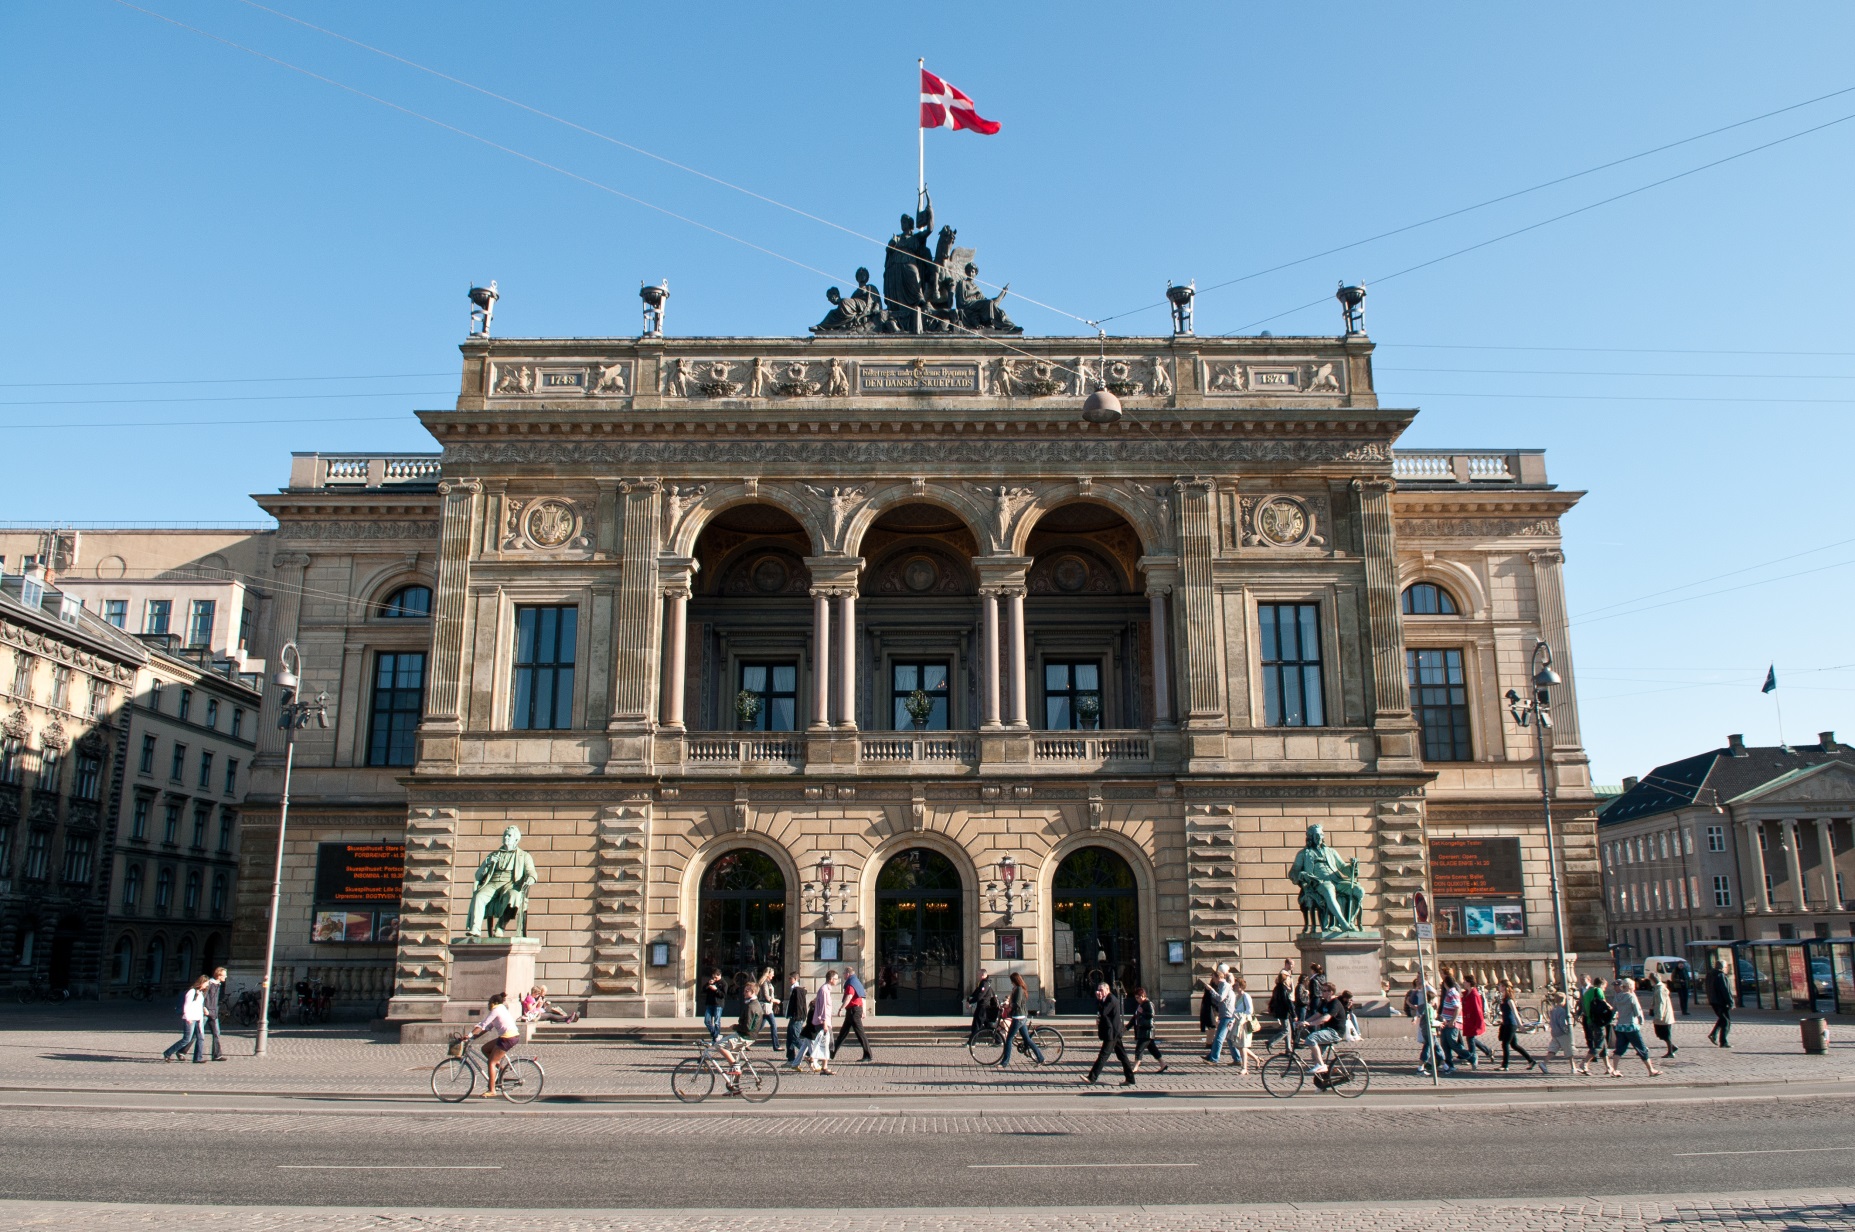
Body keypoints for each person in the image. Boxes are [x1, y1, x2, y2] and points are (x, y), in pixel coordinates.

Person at [460, 992, 521, 1097]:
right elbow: (488, 1027)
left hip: (508, 1038)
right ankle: (501, 1069)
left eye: (489, 1002)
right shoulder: (501, 1009)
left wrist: (469, 1034)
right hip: (509, 1036)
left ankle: (492, 1090)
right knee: (485, 1049)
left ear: (494, 1003)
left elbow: (483, 1024)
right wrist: (475, 1037)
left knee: (491, 1063)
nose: (488, 1005)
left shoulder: (496, 1010)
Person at [714, 979, 765, 1092]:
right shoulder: (753, 1004)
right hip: (747, 1035)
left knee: (719, 1045)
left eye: (747, 991)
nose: (744, 993)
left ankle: (735, 1066)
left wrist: (735, 1026)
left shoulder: (751, 1007)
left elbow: (747, 1027)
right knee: (734, 1057)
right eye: (744, 990)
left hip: (745, 1036)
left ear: (753, 992)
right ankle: (734, 1086)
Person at [1610, 977, 1663, 1077]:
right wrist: (1641, 1021)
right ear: (1631, 986)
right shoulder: (1631, 996)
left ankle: (1615, 1070)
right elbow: (1637, 1011)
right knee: (1641, 1048)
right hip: (1631, 1026)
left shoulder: (1617, 997)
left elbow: (1614, 1010)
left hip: (1620, 1026)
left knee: (1619, 1049)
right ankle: (1651, 1070)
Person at [1085, 982, 1136, 1086]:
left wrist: (1099, 1000)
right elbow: (1101, 1012)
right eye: (1098, 990)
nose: (1099, 992)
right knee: (1122, 1056)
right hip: (1113, 1032)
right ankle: (1130, 1079)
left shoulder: (1112, 999)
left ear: (1107, 990)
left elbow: (1104, 1012)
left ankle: (1092, 1078)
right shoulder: (1105, 999)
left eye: (1101, 990)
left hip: (1112, 1033)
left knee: (1103, 1056)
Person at [997, 971, 1045, 1067]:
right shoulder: (1017, 988)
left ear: (1015, 980)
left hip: (1018, 1017)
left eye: (1012, 981)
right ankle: (1040, 1058)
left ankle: (1004, 1062)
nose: (1011, 983)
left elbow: (1017, 1004)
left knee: (1009, 1039)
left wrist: (1008, 1005)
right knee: (1027, 1039)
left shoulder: (1019, 989)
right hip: (1020, 1016)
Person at [162, 975, 210, 1064]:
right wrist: (188, 1017)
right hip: (190, 1018)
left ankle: (198, 1058)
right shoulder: (192, 991)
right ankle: (167, 1053)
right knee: (186, 1039)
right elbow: (186, 1006)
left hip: (198, 1019)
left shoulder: (200, 993)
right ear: (202, 982)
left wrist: (203, 1012)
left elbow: (198, 1006)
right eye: (206, 983)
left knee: (201, 1038)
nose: (207, 986)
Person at [1299, 989, 1346, 1076]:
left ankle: (1321, 1065)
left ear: (1330, 992)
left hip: (1335, 1032)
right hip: (1327, 1030)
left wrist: (1310, 1024)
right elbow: (1317, 1015)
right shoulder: (1325, 1002)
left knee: (1311, 1038)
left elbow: (1325, 1018)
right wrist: (1303, 1022)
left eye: (1324, 990)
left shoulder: (1335, 1003)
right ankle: (1329, 1076)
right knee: (1315, 1056)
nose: (1322, 992)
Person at [1580, 976, 1619, 1077]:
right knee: (1599, 1044)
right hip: (1598, 1021)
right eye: (1605, 987)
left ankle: (1608, 1067)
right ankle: (1584, 1062)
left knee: (1603, 1044)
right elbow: (1603, 1004)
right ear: (1601, 985)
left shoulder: (1587, 992)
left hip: (1589, 1020)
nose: (1605, 989)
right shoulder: (1598, 991)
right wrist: (1611, 1009)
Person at [833, 967, 874, 1063]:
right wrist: (863, 1011)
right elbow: (860, 998)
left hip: (853, 1011)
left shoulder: (850, 984)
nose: (843, 975)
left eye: (843, 973)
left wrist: (841, 1008)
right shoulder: (857, 982)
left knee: (860, 1033)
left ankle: (868, 1055)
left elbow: (849, 996)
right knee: (843, 1033)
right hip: (855, 1010)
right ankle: (832, 1053)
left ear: (847, 974)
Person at [1496, 981, 1538, 1071]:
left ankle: (1505, 1065)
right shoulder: (1503, 998)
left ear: (1504, 987)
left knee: (1505, 1044)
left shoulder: (1509, 1000)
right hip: (1506, 1023)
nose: (1498, 987)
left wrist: (1520, 1025)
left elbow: (1515, 1013)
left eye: (1500, 985)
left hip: (1511, 1024)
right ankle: (1531, 1061)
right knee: (1514, 1045)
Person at [802, 971, 838, 1075]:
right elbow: (823, 1008)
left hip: (824, 1021)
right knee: (826, 1043)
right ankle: (815, 1060)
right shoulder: (824, 990)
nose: (836, 981)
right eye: (835, 979)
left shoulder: (826, 989)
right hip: (823, 1021)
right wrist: (825, 1023)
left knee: (825, 1043)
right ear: (831, 979)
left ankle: (820, 1063)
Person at [1129, 987, 1167, 1073]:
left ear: (1143, 996)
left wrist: (1142, 1012)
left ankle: (1135, 1067)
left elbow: (1151, 1014)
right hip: (1142, 1030)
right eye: (1136, 998)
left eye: (1138, 997)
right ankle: (1163, 1064)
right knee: (1152, 1049)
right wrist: (1127, 1027)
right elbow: (1135, 1018)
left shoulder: (1148, 1004)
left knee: (1139, 1049)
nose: (1137, 999)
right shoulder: (1141, 1005)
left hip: (1147, 1030)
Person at [1460, 975, 1497, 1067]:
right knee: (1471, 1039)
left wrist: (1479, 1023)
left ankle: (1472, 1057)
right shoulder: (1467, 993)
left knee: (1470, 1039)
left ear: (1469, 982)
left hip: (1472, 1020)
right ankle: (1488, 1051)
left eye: (1465, 981)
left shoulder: (1474, 994)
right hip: (1467, 1020)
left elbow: (1478, 1010)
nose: (1463, 983)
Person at [1204, 965, 1237, 1063]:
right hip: (1226, 1014)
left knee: (1219, 1037)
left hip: (1227, 1015)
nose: (1213, 981)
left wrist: (1211, 990)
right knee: (1229, 1039)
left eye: (1214, 979)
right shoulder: (1223, 985)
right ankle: (1237, 1059)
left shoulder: (1224, 985)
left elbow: (1220, 998)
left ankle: (1214, 1059)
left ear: (1218, 977)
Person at [1231, 977, 1262, 1073]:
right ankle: (1257, 1058)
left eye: (1236, 985)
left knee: (1243, 1046)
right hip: (1238, 1023)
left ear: (1240, 986)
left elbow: (1250, 1010)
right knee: (1239, 1046)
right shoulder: (1237, 997)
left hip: (1245, 1023)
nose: (1234, 986)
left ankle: (1244, 1068)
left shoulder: (1246, 996)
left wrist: (1240, 1015)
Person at [1436, 975, 1466, 1071]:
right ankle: (1450, 1066)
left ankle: (1471, 1057)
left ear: (1445, 984)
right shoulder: (1449, 992)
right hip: (1446, 1023)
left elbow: (1458, 1007)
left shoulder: (1452, 992)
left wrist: (1453, 1021)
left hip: (1451, 1023)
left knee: (1453, 1043)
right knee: (1445, 1044)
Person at [201, 967, 227, 1062]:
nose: (226, 977)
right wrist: (204, 1008)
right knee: (197, 1034)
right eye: (224, 975)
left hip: (214, 1012)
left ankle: (217, 1055)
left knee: (216, 1033)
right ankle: (182, 1051)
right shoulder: (209, 984)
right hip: (206, 1012)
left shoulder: (219, 985)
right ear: (219, 976)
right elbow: (202, 997)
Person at [1649, 973, 1678, 1057]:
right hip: (1663, 1015)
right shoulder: (1658, 988)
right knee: (1661, 1033)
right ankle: (1672, 1047)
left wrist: (1659, 1016)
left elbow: (1661, 1003)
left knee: (1665, 1033)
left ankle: (1671, 1051)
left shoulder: (1660, 990)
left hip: (1663, 1015)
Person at [966, 970, 998, 1045]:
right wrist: (970, 998)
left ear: (983, 975)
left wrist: (970, 1002)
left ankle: (971, 1043)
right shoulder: (984, 983)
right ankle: (999, 1040)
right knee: (988, 1025)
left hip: (982, 1007)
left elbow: (980, 996)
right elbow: (976, 992)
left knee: (976, 1025)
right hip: (984, 1007)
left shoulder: (984, 983)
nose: (977, 976)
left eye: (978, 975)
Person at [1706, 961, 1733, 1048]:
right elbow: (1725, 990)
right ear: (1722, 967)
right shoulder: (1720, 975)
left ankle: (1713, 1034)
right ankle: (1723, 1042)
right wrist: (1730, 1001)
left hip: (1714, 1001)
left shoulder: (1710, 975)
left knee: (1722, 1019)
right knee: (1726, 1021)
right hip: (1721, 1002)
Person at [1544, 991, 1573, 1072]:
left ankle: (1544, 1063)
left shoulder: (1553, 1010)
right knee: (1569, 1050)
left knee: (1553, 1050)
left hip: (1554, 1033)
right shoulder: (1562, 1011)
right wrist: (1566, 1031)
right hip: (1561, 1033)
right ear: (1563, 1000)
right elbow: (1562, 1023)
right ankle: (1573, 1067)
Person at [783, 972, 808, 1064]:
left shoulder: (797, 990)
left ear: (796, 979)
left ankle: (810, 1053)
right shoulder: (794, 989)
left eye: (791, 978)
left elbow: (799, 1005)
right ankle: (790, 1058)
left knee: (795, 1037)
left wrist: (797, 1016)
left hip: (797, 1017)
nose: (789, 980)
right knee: (790, 1037)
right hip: (794, 1016)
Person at [1267, 970, 1295, 1050]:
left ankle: (1288, 1048)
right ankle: (1271, 1041)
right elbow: (1287, 1002)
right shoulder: (1283, 989)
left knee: (1287, 1030)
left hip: (1280, 1011)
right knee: (1286, 1030)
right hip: (1284, 1012)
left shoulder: (1277, 987)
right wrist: (1294, 1014)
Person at [700, 967, 726, 1041]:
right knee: (707, 1021)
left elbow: (723, 995)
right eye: (713, 977)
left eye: (716, 977)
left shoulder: (724, 983)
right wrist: (708, 984)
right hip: (710, 1004)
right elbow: (703, 990)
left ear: (719, 975)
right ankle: (716, 1035)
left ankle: (715, 1038)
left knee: (717, 1022)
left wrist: (716, 990)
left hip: (718, 1004)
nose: (714, 978)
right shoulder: (711, 981)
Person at [758, 967, 780, 1052]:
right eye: (772, 973)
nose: (773, 975)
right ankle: (776, 1045)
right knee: (774, 1026)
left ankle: (747, 1042)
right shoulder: (765, 983)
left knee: (759, 1027)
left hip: (767, 1007)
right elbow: (767, 997)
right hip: (766, 1008)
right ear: (768, 974)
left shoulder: (768, 982)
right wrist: (776, 1001)